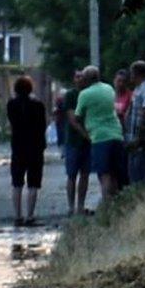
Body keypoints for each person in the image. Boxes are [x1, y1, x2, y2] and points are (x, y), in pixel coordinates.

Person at [71, 66, 124, 204]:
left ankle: (106, 206)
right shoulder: (109, 88)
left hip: (100, 137)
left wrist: (85, 132)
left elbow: (77, 117)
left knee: (104, 173)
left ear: (87, 78)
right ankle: (118, 205)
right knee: (115, 174)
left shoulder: (85, 94)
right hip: (116, 134)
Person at [5, 76, 48, 226]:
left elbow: (12, 123)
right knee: (33, 184)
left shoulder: (11, 105)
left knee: (17, 183)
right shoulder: (38, 105)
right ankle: (30, 215)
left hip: (18, 147)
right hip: (35, 147)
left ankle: (18, 216)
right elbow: (43, 126)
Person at [56, 79, 92, 215]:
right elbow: (72, 119)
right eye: (77, 77)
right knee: (72, 174)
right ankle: (71, 206)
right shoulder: (71, 95)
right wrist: (86, 135)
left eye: (82, 77)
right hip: (73, 141)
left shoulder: (89, 94)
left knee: (85, 174)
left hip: (86, 142)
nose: (80, 80)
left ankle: (80, 206)